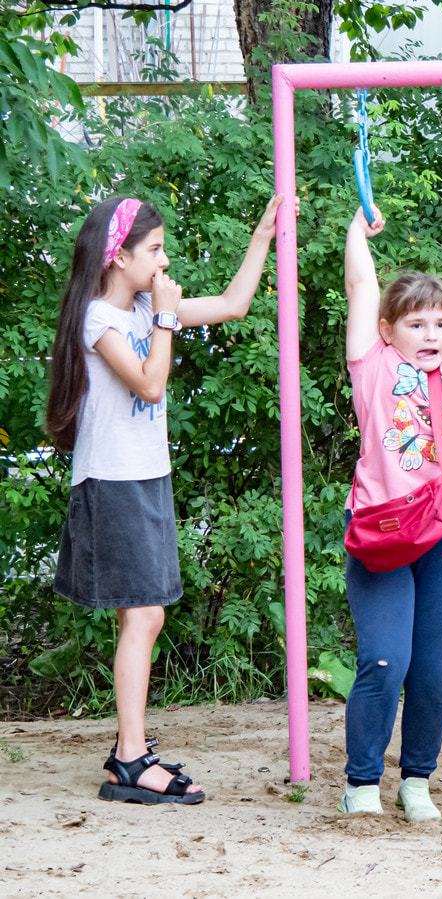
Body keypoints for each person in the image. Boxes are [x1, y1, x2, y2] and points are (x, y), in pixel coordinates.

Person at [44, 192, 284, 804]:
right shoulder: (100, 318)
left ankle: (131, 753)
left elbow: (235, 304)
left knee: (143, 615)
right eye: (153, 249)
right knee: (145, 615)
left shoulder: (148, 303)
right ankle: (129, 759)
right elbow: (151, 386)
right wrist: (167, 319)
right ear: (117, 257)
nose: (164, 259)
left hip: (144, 477)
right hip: (112, 481)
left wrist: (262, 236)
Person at [338, 204, 442, 820]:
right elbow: (360, 285)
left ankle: (416, 780)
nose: (432, 333)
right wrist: (358, 234)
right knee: (386, 660)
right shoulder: (373, 367)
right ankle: (361, 783)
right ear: (389, 331)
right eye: (417, 324)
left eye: (440, 322)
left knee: (433, 672)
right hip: (384, 530)